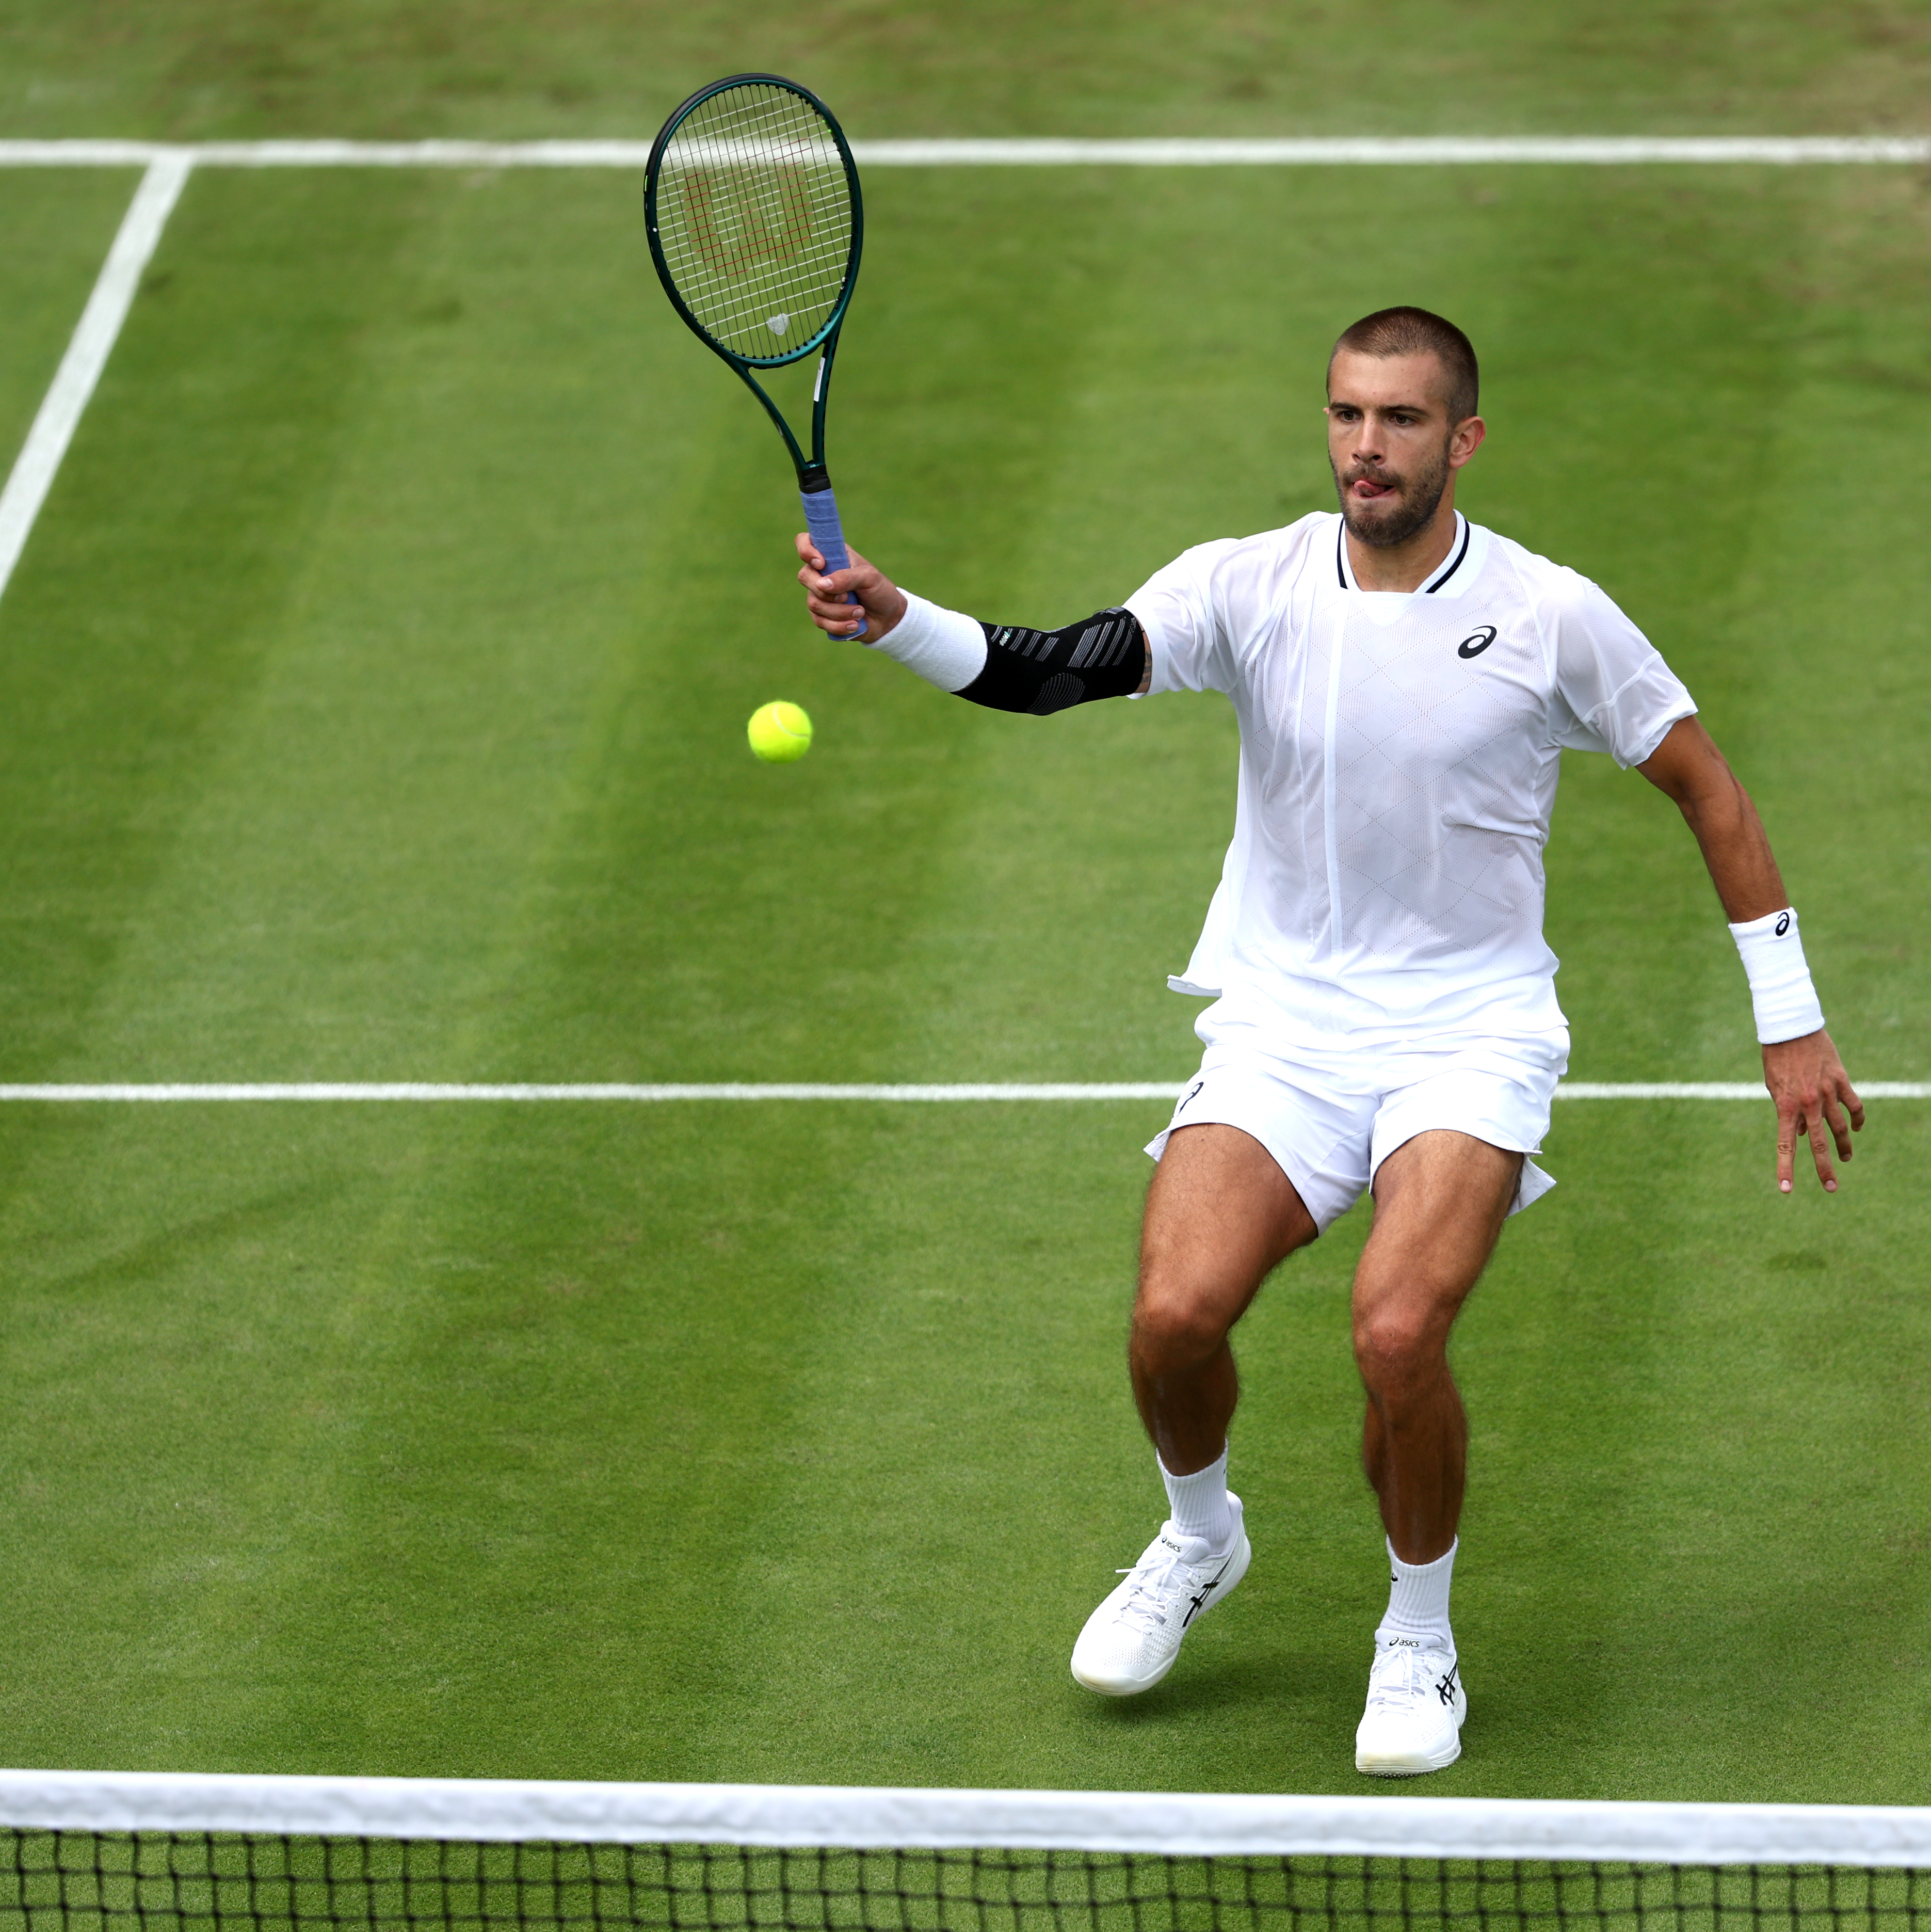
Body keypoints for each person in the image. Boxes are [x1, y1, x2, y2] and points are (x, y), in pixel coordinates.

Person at [796, 306, 1861, 1776]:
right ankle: (1198, 1541)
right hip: (1287, 1024)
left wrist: (1788, 1020)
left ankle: (1418, 1636)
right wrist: (897, 616)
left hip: (1469, 1034)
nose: (1368, 446)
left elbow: (1706, 781)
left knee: (1396, 1331)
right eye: (1349, 415)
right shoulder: (1250, 585)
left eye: (1403, 421)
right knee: (1173, 1319)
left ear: (1462, 441)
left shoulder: (1553, 613)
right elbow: (1053, 667)